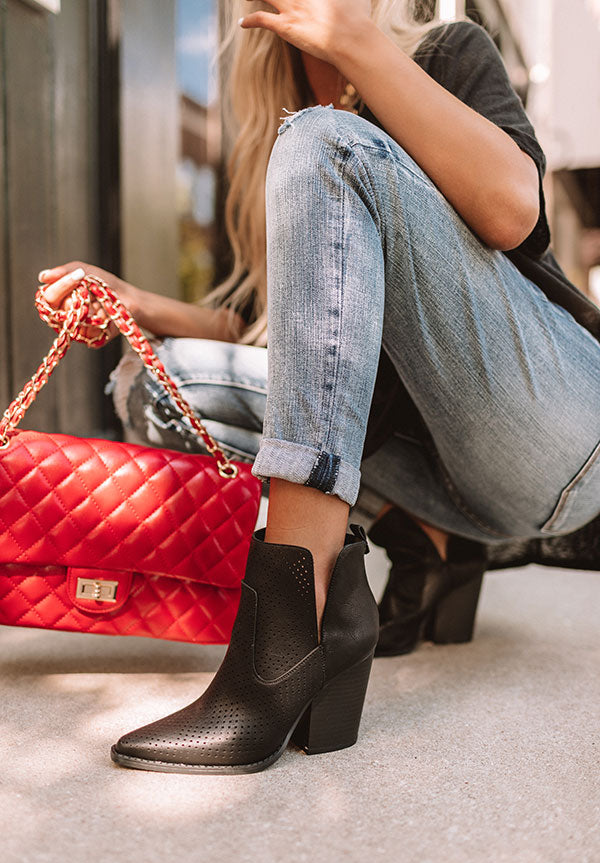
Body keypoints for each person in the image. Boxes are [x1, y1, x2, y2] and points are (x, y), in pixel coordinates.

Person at [38, 0, 600, 774]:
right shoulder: (279, 112)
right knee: (155, 381)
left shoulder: (445, 49)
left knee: (328, 143)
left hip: (557, 423)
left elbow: (514, 211)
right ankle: (420, 543)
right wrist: (142, 306)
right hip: (435, 471)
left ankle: (290, 630)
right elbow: (302, 332)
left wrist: (360, 46)